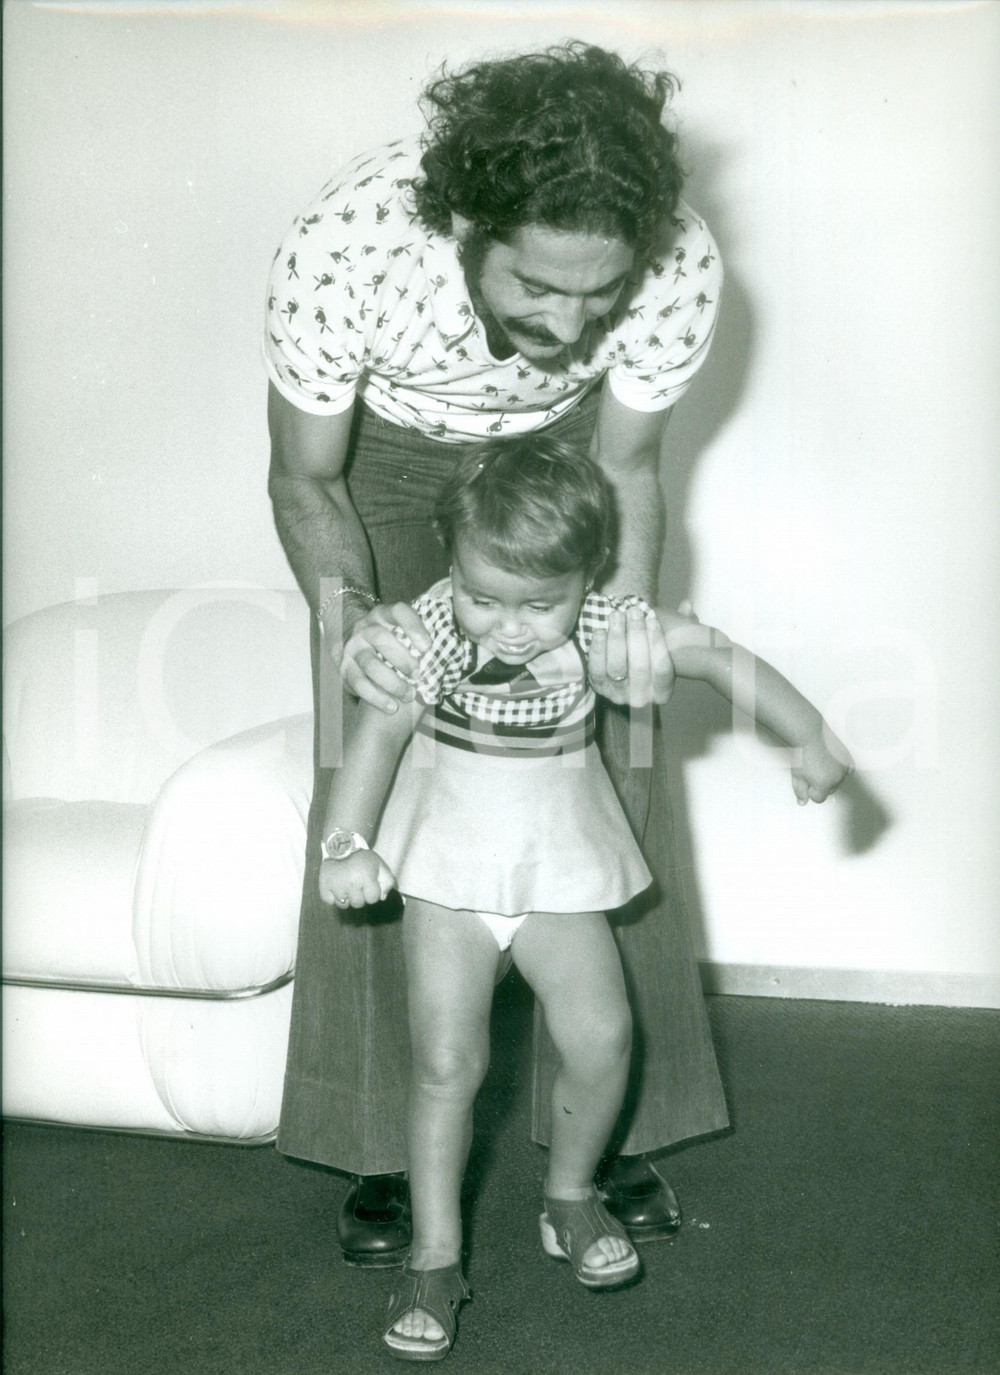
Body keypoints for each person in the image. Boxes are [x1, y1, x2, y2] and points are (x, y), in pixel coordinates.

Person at [265, 41, 728, 1267]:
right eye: (538, 286)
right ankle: (379, 1140)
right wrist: (354, 616)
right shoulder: (345, 242)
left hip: (565, 459)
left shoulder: (676, 257)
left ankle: (609, 1118)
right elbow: (305, 474)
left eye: (601, 293)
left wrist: (622, 615)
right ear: (467, 224)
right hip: (389, 452)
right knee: (361, 753)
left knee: (619, 753)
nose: (573, 322)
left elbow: (626, 464)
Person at [316, 435, 853, 1360]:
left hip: (559, 861)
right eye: (486, 597)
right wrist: (346, 841)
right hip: (449, 865)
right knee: (448, 1060)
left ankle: (570, 1194)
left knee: (604, 1037)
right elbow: (377, 734)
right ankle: (436, 1255)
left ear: (588, 574)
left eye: (541, 602)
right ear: (453, 563)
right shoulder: (430, 630)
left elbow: (718, 655)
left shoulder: (608, 624)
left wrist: (810, 735)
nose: (511, 627)